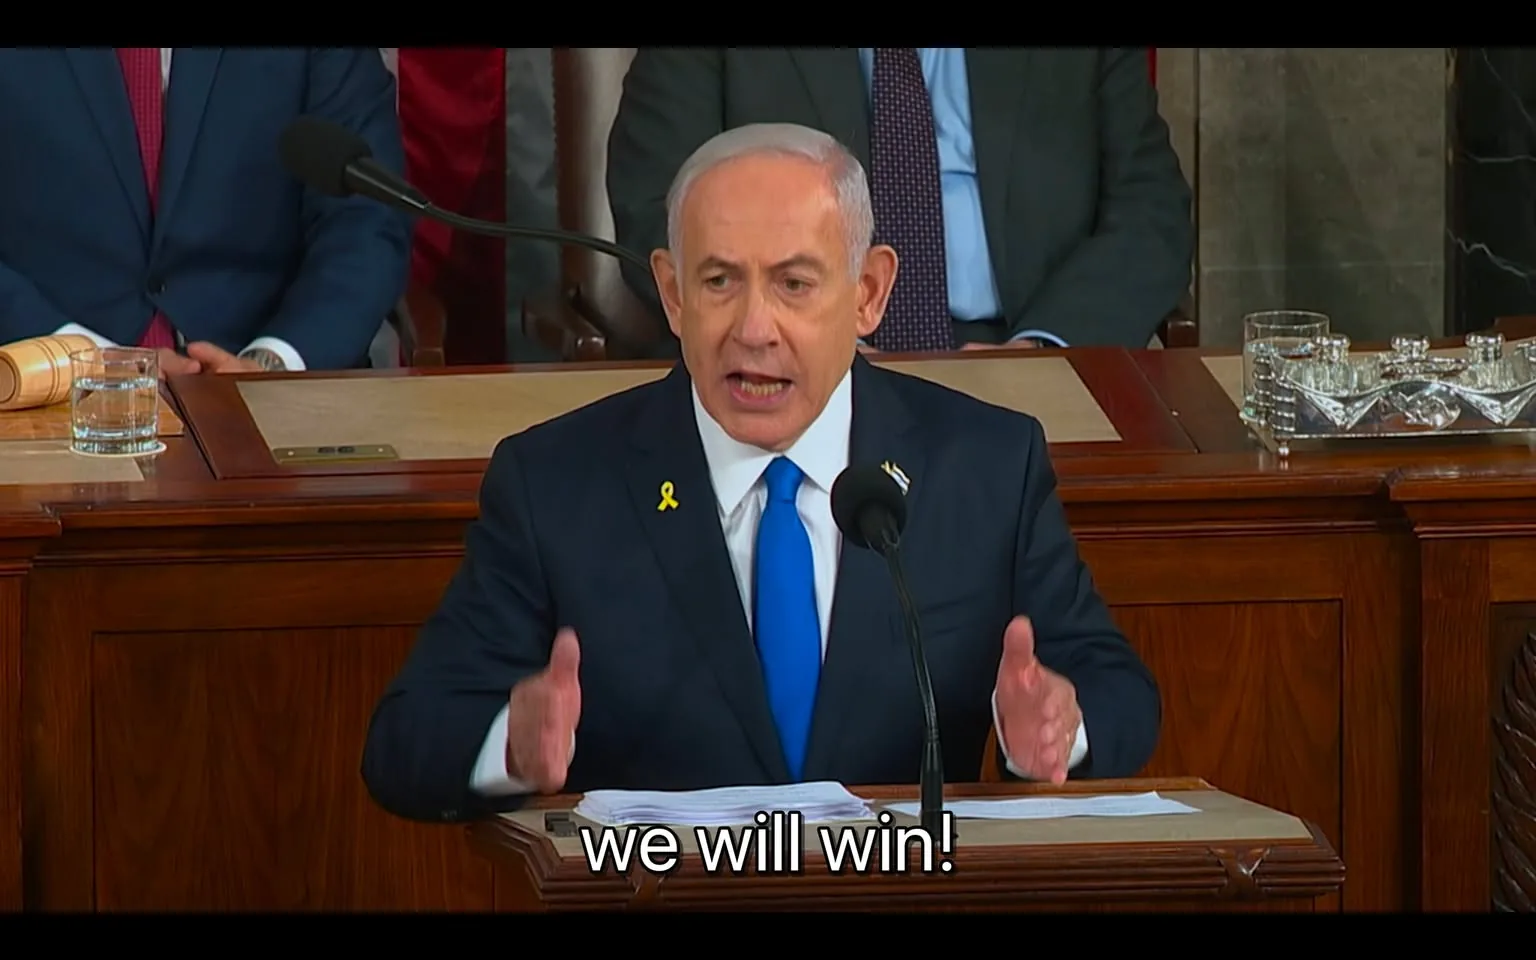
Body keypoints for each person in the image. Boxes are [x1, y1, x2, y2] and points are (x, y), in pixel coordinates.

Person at [362, 123, 1160, 823]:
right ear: (673, 293)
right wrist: (513, 742)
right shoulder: (557, 483)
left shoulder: (983, 466)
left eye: (793, 284)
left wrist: (1058, 730)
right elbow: (408, 740)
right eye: (719, 282)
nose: (753, 328)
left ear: (869, 293)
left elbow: (1117, 690)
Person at [607, 47, 1193, 353]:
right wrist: (805, 344)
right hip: (792, 354)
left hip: (1026, 352)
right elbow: (660, 207)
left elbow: (1152, 211)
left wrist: (1043, 347)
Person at [0, 48, 411, 372]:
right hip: (36, 386)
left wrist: (273, 363)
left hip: (273, 393)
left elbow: (366, 219)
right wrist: (77, 361)